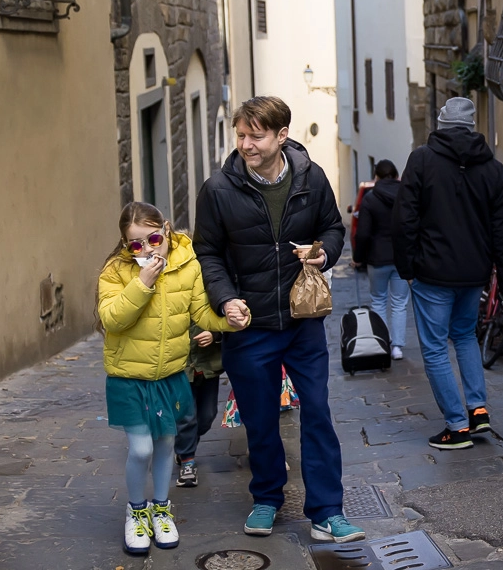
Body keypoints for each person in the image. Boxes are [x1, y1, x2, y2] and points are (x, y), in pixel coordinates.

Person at [193, 96, 364, 543]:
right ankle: (267, 498)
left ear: (281, 136)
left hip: (303, 321)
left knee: (319, 414)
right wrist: (226, 298)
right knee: (261, 419)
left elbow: (333, 227)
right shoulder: (218, 189)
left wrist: (324, 253)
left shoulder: (312, 178)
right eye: (241, 135)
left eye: (256, 135)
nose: (246, 144)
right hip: (248, 327)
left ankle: (328, 511)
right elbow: (206, 251)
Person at [97, 202, 246, 555]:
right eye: (135, 245)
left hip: (169, 374)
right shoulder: (116, 271)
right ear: (125, 245)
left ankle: (161, 509)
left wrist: (229, 319)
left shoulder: (187, 264)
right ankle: (136, 513)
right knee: (142, 448)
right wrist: (142, 283)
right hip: (128, 377)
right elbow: (112, 319)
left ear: (165, 229)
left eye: (152, 239)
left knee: (165, 445)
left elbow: (199, 313)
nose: (147, 250)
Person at [392, 96, 503, 450]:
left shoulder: (422, 160)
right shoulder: (493, 169)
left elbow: (405, 219)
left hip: (432, 272)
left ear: (442, 124)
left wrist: (406, 267)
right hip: (474, 273)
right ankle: (478, 411)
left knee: (434, 348)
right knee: (464, 337)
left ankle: (456, 425)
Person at [354, 159, 409, 360]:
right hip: (401, 258)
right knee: (399, 303)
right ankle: (397, 347)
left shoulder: (370, 199)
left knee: (378, 300)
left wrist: (358, 258)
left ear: (376, 177)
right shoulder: (405, 197)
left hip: (377, 259)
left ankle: (381, 343)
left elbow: (363, 234)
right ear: (396, 176)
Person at [174, 324, 222, 488]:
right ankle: (187, 460)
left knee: (208, 416)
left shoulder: (208, 298)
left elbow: (224, 317)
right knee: (187, 418)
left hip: (207, 365)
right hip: (180, 368)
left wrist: (214, 334)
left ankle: (184, 445)